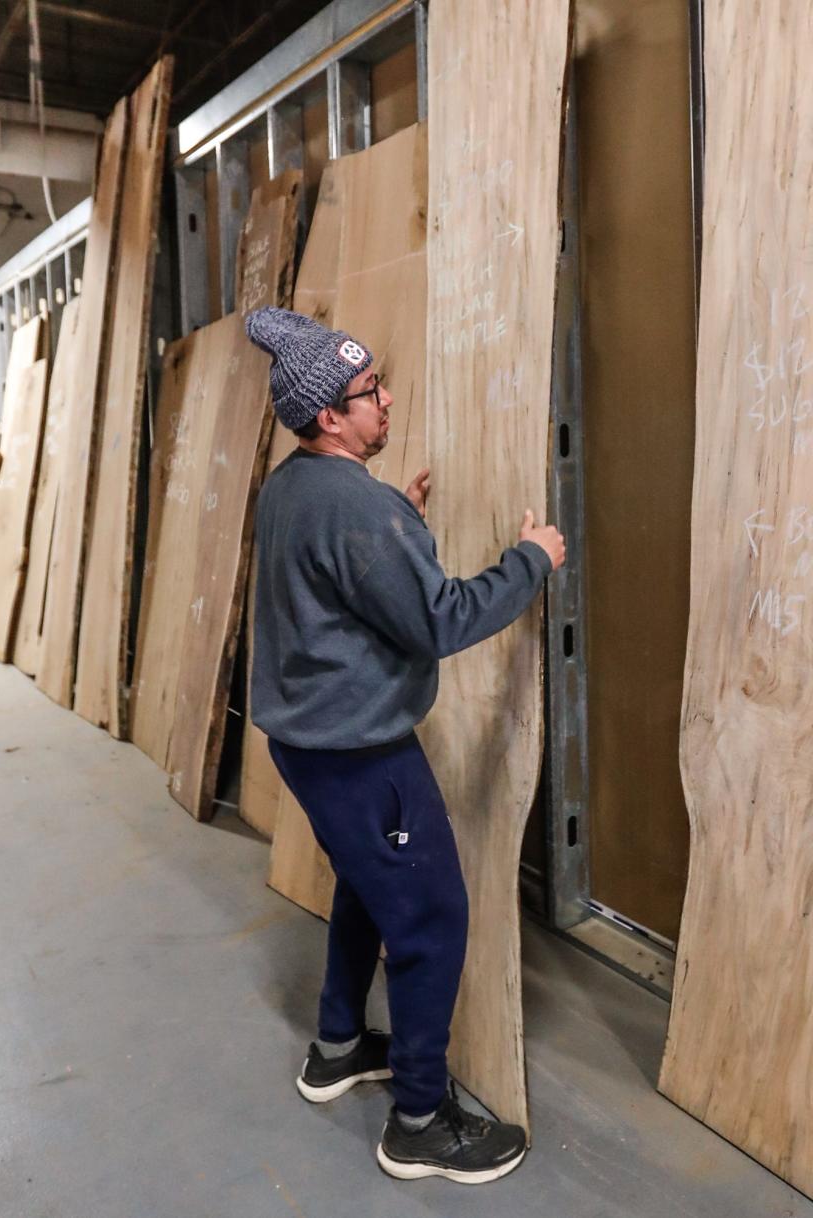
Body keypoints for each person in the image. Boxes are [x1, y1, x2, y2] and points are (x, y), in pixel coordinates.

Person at [245, 306, 566, 1184]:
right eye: (368, 393)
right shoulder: (356, 509)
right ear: (326, 419)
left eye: (380, 382)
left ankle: (339, 1046)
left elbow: (349, 580)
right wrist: (531, 558)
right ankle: (420, 1121)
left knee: (365, 885)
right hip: (361, 753)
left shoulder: (296, 486)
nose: (386, 402)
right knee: (430, 919)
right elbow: (440, 619)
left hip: (309, 743)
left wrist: (400, 523)